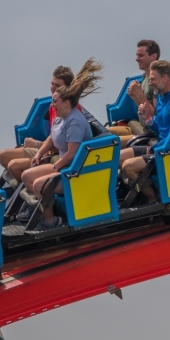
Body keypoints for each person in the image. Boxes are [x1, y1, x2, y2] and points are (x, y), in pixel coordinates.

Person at [20, 59, 102, 231]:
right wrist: (39, 153)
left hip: (76, 171)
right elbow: (53, 136)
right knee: (27, 176)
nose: (52, 105)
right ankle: (43, 207)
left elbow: (72, 153)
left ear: (66, 103)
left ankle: (50, 221)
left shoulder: (74, 122)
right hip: (63, 166)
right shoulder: (60, 116)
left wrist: (55, 166)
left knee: (39, 184)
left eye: (55, 101)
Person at [118, 60, 170, 202]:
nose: (150, 82)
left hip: (168, 153)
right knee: (116, 157)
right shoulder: (161, 97)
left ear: (164, 78)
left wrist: (156, 151)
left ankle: (153, 200)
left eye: (152, 79)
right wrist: (147, 119)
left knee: (128, 167)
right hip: (158, 147)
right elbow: (161, 127)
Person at [0, 66, 80, 183]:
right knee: (2, 155)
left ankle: (33, 184)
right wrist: (40, 149)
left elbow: (65, 146)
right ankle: (31, 181)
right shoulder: (53, 106)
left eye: (57, 85)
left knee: (13, 166)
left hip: (56, 154)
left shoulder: (71, 112)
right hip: (46, 149)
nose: (53, 88)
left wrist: (37, 144)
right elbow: (53, 135)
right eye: (52, 84)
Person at [107, 39, 161, 137]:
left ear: (153, 56)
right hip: (139, 127)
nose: (137, 59)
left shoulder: (157, 82)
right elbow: (141, 108)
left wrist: (139, 94)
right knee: (105, 133)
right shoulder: (145, 77)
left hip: (150, 132)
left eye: (141, 55)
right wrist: (134, 96)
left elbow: (155, 116)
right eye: (137, 55)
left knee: (111, 142)